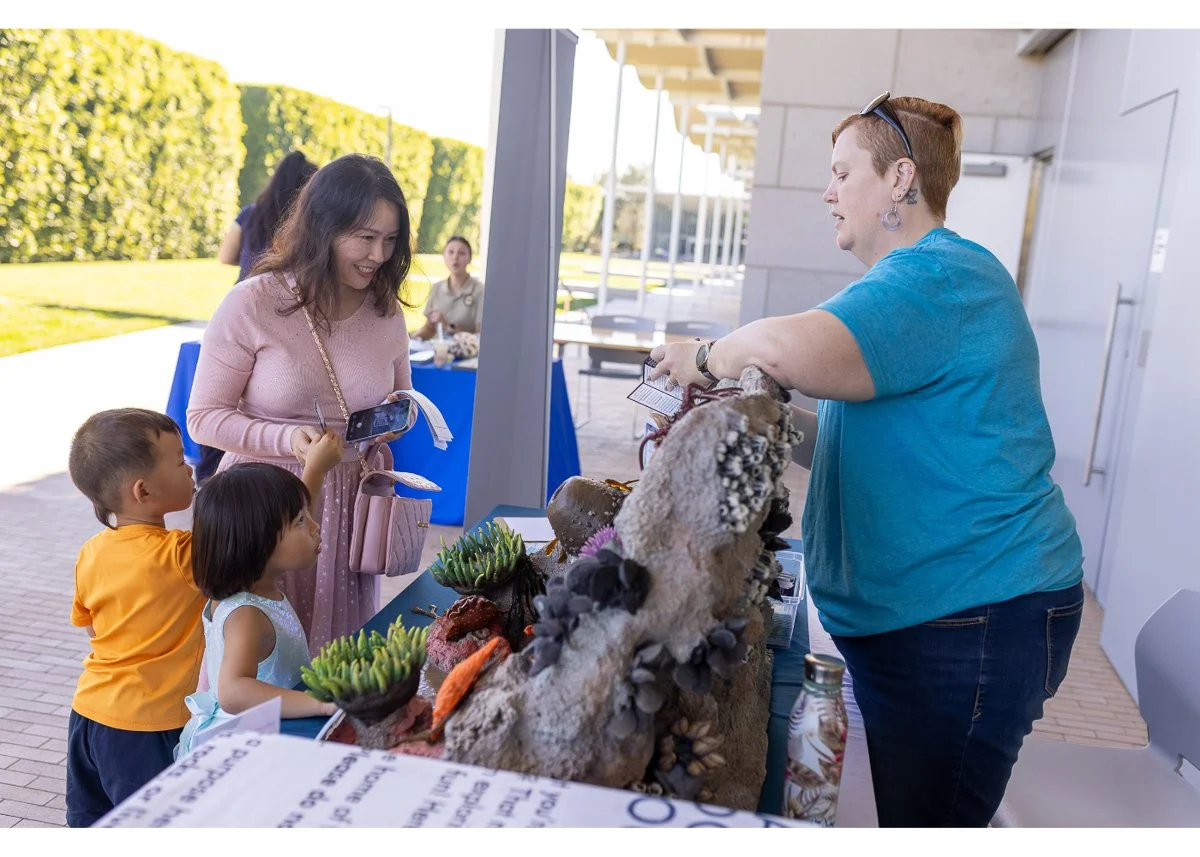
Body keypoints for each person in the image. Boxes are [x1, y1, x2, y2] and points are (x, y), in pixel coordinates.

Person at [649, 93, 1084, 827]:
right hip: (940, 616)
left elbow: (784, 348)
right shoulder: (907, 286)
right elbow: (864, 442)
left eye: (842, 172)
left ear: (899, 180)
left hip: (974, 618)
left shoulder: (936, 279)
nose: (827, 190)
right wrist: (771, 420)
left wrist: (704, 358)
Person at [188, 153, 417, 655]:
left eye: (390, 239)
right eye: (364, 236)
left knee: (335, 660)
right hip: (264, 512)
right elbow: (203, 418)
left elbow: (400, 398)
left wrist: (390, 422)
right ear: (322, 228)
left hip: (347, 510)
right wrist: (287, 438)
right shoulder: (253, 302)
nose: (378, 254)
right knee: (260, 665)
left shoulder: (386, 312)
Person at [65, 408, 206, 827]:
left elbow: (91, 624)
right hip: (146, 728)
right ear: (143, 492)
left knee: (94, 826)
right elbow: (263, 539)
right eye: (181, 460)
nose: (191, 468)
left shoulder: (92, 550)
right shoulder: (182, 555)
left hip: (89, 714)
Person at [175, 453, 343, 758]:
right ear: (257, 542)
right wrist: (319, 703)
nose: (316, 527)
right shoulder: (246, 615)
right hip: (245, 746)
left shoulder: (256, 589)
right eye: (301, 521)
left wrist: (314, 473)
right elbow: (233, 691)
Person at [201, 152, 320, 484]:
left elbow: (225, 256)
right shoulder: (306, 224)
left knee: (232, 402)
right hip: (286, 312)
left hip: (239, 309)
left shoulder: (251, 215)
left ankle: (212, 477)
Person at [217, 151, 319, 285]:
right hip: (288, 296)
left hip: (246, 292)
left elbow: (226, 256)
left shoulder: (249, 215)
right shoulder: (312, 221)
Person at [415, 235, 484, 339]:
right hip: (440, 352)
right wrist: (412, 338)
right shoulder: (436, 288)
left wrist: (447, 326)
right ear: (444, 256)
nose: (455, 257)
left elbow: (480, 337)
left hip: (467, 353)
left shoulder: (480, 290)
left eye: (461, 253)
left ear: (470, 258)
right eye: (451, 252)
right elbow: (429, 328)